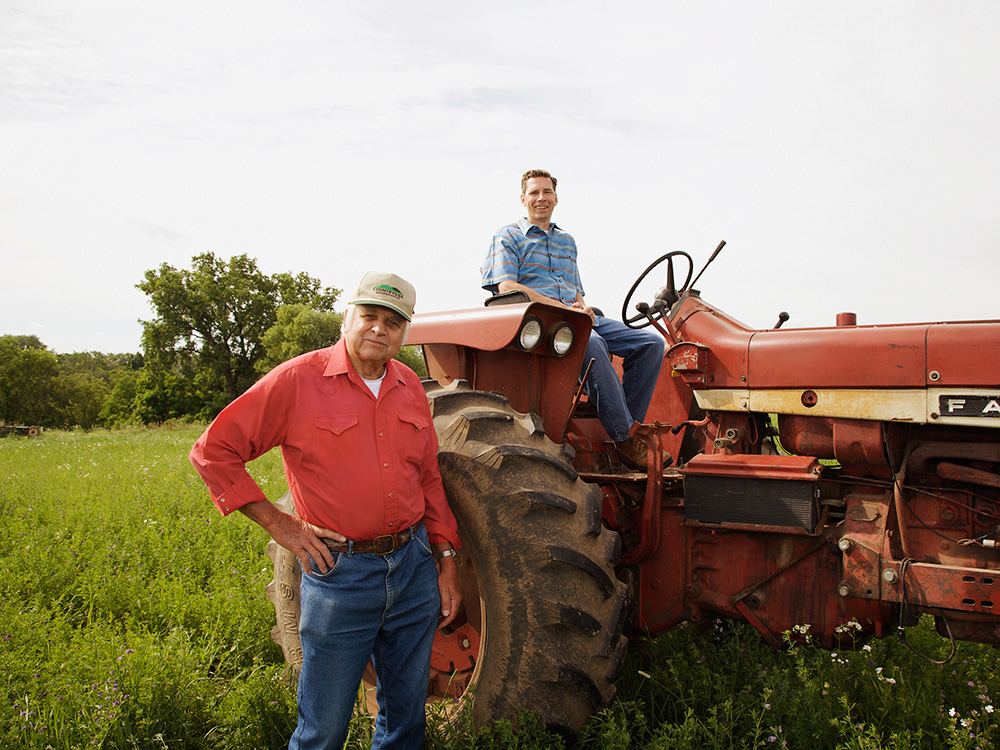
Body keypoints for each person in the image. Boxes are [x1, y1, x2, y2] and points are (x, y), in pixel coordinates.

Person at [189, 271, 461, 750]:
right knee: (323, 730)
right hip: (341, 574)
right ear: (346, 318)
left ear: (405, 332)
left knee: (405, 721)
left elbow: (428, 481)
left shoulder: (410, 387)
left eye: (393, 322)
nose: (379, 329)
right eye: (369, 316)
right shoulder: (298, 380)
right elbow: (213, 451)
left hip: (413, 566)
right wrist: (282, 526)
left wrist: (446, 561)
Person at [481, 169, 665, 469]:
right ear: (523, 199)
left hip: (573, 315)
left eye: (547, 192)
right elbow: (507, 287)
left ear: (556, 198)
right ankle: (623, 439)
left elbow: (574, 289)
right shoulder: (508, 236)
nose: (541, 198)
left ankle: (627, 428)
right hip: (539, 321)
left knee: (651, 344)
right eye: (534, 193)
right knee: (591, 343)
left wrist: (583, 307)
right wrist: (562, 308)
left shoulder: (566, 241)